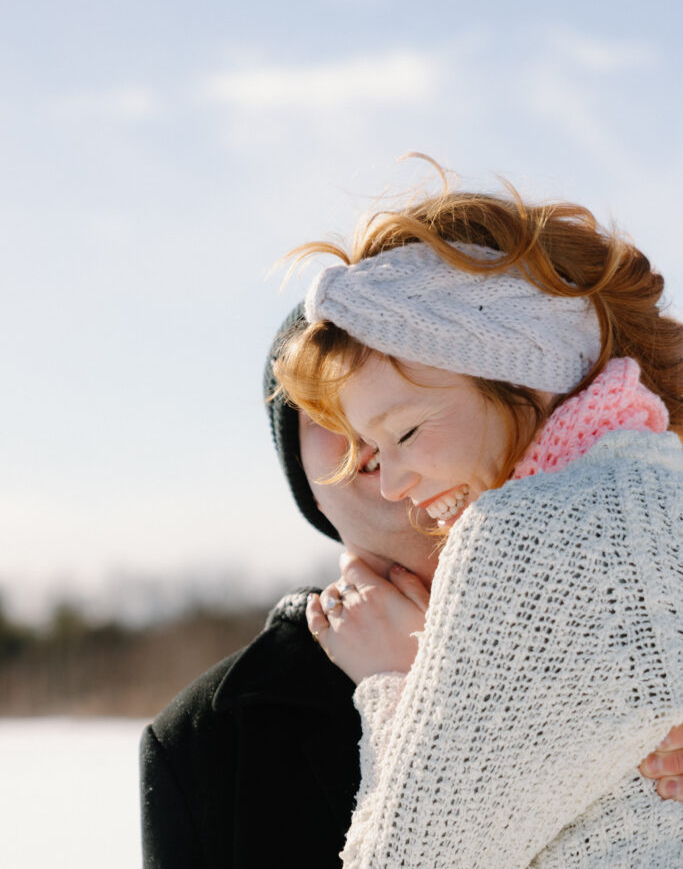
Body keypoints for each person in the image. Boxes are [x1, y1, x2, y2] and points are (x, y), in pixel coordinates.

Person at [139, 308, 683, 868]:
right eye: (325, 406)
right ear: (301, 478)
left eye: (398, 396)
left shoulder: (642, 594)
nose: (364, 429)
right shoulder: (212, 731)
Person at [273, 177, 683, 867]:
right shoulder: (657, 491)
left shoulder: (522, 535)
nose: (395, 483)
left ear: (525, 374)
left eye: (404, 431)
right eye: (371, 448)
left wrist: (395, 680)